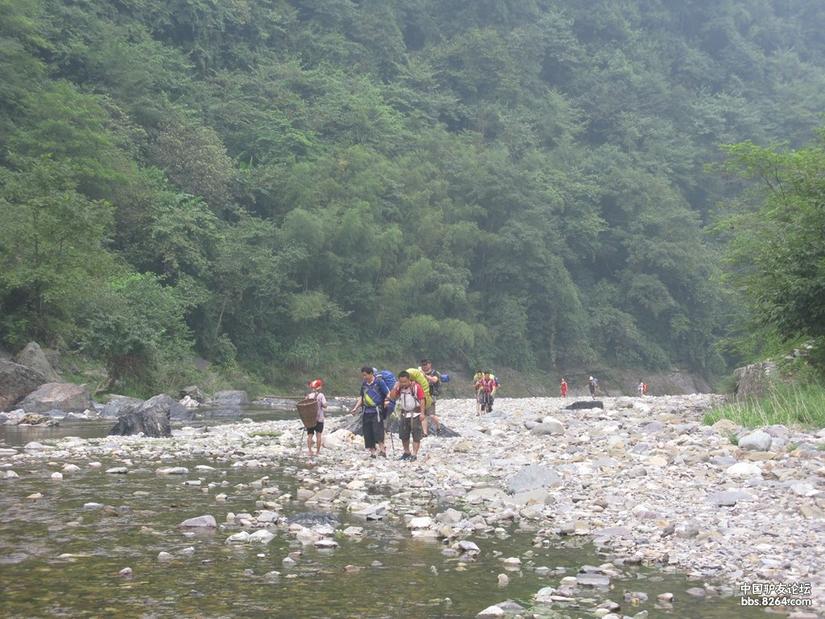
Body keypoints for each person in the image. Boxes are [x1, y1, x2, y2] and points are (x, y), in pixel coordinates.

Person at [349, 366, 389, 458]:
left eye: (365, 375)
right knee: (368, 431)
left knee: (378, 431)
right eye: (363, 375)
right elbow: (361, 398)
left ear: (371, 373)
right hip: (366, 411)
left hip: (377, 411)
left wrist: (387, 401)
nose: (364, 377)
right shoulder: (364, 384)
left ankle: (382, 450)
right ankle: (372, 452)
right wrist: (355, 408)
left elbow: (388, 393)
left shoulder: (379, 382)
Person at [386, 370, 426, 461]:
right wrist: (395, 387)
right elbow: (392, 397)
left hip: (415, 414)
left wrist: (422, 413)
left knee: (416, 435)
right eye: (401, 382)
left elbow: (422, 400)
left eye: (405, 382)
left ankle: (414, 454)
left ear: (409, 379)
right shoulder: (399, 388)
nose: (403, 384)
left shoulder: (416, 387)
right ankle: (407, 452)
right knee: (404, 435)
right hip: (404, 414)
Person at [419, 358, 441, 436]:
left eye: (426, 364)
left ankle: (438, 426)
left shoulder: (435, 373)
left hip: (431, 396)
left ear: (430, 364)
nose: (424, 366)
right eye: (423, 365)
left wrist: (425, 375)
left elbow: (434, 380)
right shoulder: (419, 373)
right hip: (422, 396)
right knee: (423, 414)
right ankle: (425, 433)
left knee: (431, 415)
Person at [305, 378, 327, 457]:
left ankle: (310, 451)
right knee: (319, 435)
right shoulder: (321, 395)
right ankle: (318, 452)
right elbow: (325, 406)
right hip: (319, 419)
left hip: (310, 419)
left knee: (310, 435)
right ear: (319, 387)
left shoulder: (308, 396)